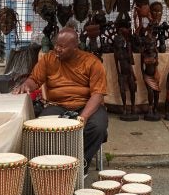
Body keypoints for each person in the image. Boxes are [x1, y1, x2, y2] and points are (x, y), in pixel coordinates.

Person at [13, 27, 108, 174]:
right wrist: (26, 85)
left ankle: (80, 164)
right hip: (57, 105)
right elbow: (35, 79)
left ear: (75, 48)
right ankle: (55, 165)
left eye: (62, 47)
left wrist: (84, 116)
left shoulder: (92, 62)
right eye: (56, 44)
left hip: (87, 105)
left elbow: (98, 95)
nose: (57, 49)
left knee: (97, 127)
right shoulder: (49, 59)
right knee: (44, 126)